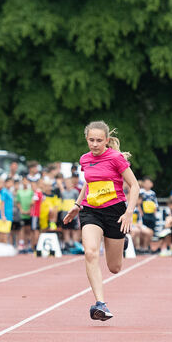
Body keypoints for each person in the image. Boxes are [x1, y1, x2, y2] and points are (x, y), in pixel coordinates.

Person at [61, 121, 139, 321]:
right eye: (91, 140)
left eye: (98, 140)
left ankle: (121, 243)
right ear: (86, 139)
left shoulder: (116, 158)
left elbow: (134, 185)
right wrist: (78, 205)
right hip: (91, 211)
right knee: (90, 252)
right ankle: (100, 304)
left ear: (106, 140)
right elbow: (89, 182)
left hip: (115, 212)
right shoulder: (85, 159)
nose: (94, 144)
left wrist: (129, 212)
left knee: (114, 268)